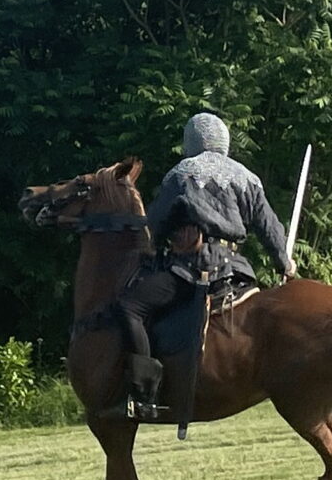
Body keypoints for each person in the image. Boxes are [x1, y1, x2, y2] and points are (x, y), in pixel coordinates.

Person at [112, 111, 293, 421]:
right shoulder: (247, 177)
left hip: (189, 268)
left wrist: (156, 244)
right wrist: (285, 263)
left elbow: (153, 227)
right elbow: (270, 228)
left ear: (191, 142)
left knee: (131, 307)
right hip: (236, 270)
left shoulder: (181, 174)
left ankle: (144, 396)